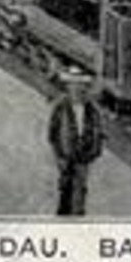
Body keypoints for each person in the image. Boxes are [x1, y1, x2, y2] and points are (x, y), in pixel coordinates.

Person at [47, 67, 104, 216]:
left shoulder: (92, 110)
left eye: (80, 86)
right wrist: (58, 155)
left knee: (80, 187)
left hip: (83, 156)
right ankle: (63, 213)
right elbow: (53, 133)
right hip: (66, 155)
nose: (77, 89)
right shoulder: (60, 108)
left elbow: (98, 132)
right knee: (65, 185)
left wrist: (94, 151)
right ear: (68, 87)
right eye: (73, 85)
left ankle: (77, 216)